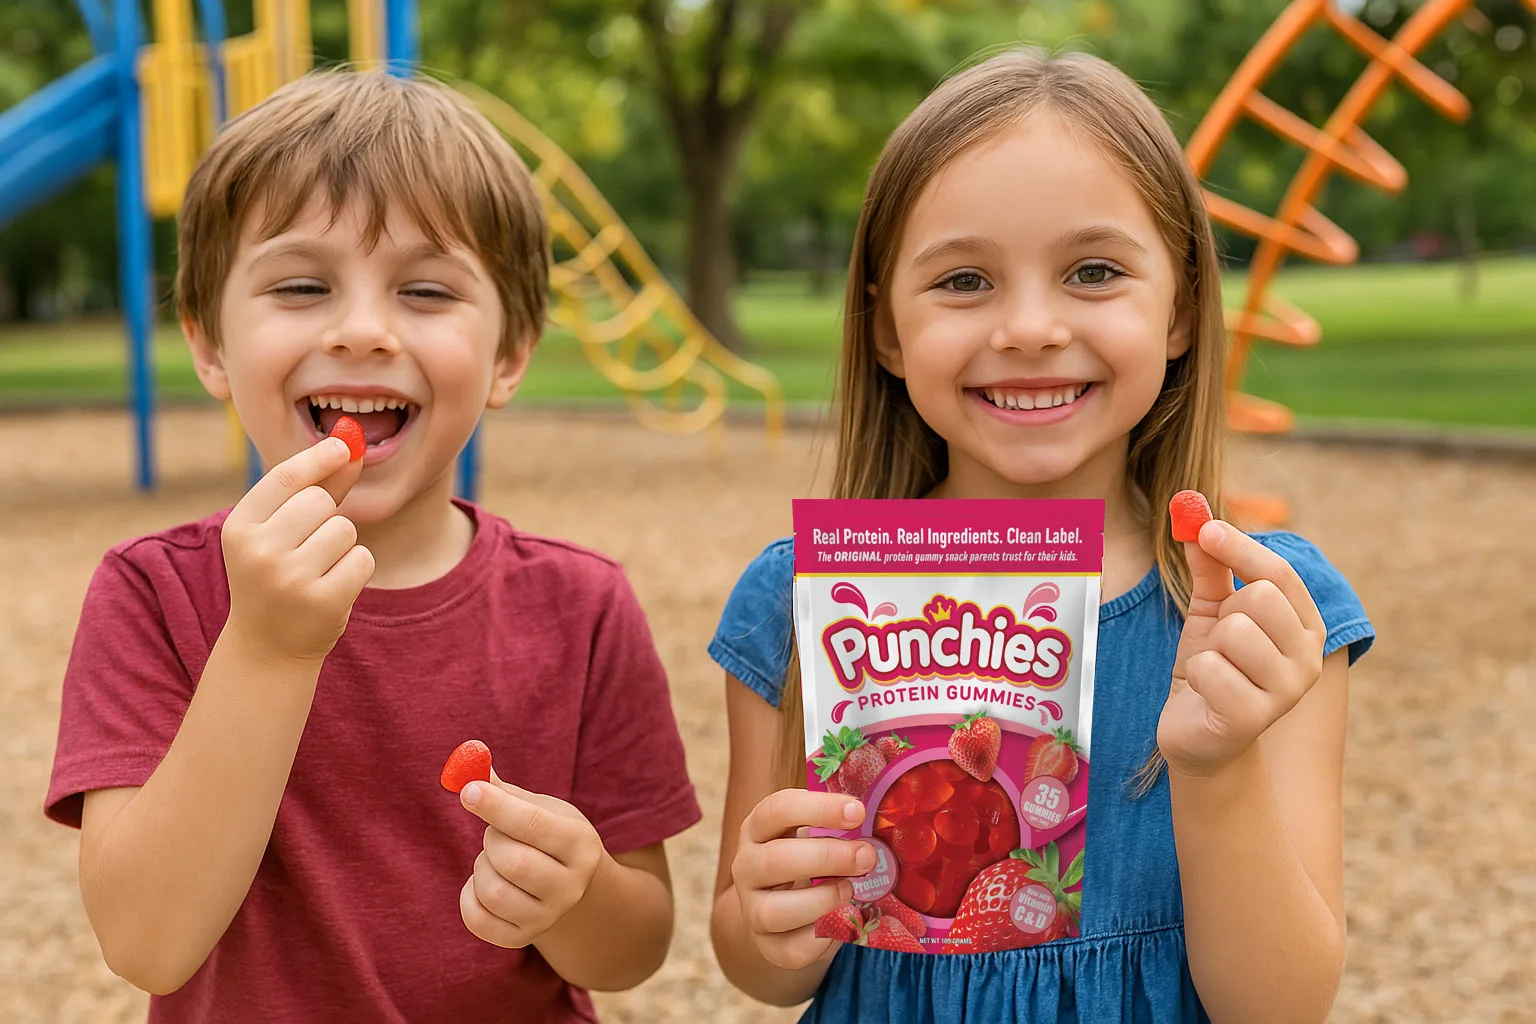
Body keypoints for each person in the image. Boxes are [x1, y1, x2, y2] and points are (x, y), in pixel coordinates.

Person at [707, 47, 1375, 1023]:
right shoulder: (799, 599)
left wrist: (1217, 765)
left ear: (1183, 309)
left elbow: (1280, 1007)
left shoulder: (1264, 615)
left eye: (1093, 271)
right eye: (964, 279)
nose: (1028, 327)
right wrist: (770, 916)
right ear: (886, 329)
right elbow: (761, 969)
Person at [44, 69, 700, 1022]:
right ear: (210, 345)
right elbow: (148, 941)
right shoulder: (152, 594)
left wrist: (576, 892)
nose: (361, 332)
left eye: (426, 290)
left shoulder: (582, 604)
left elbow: (637, 946)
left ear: (511, 354)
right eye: (301, 286)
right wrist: (264, 647)